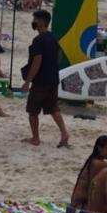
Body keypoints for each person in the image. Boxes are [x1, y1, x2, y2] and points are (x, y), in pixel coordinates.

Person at [21, 9, 70, 147]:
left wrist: (27, 82)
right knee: (53, 108)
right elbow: (59, 56)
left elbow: (37, 62)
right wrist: (52, 66)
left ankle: (35, 138)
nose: (33, 22)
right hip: (53, 79)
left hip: (41, 81)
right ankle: (64, 133)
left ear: (41, 22)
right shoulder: (53, 37)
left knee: (32, 110)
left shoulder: (38, 40)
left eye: (35, 19)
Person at [71, 135, 107, 208]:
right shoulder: (97, 164)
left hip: (76, 203)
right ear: (99, 148)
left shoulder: (93, 160)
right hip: (80, 206)